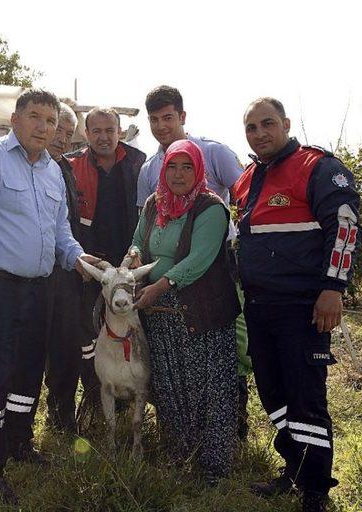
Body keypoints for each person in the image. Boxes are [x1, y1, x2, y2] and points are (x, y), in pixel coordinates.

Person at [0, 89, 95, 504]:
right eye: (34, 117)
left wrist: (79, 260)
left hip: (41, 288)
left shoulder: (52, 171)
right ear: (14, 118)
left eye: (50, 121)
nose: (43, 127)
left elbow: (61, 233)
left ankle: (18, 443)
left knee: (29, 372)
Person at [235, 97, 361, 512]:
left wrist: (333, 289)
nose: (260, 134)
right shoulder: (247, 177)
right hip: (259, 306)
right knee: (274, 394)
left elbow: (344, 229)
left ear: (286, 123)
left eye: (267, 124)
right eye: (251, 128)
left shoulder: (319, 167)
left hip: (304, 306)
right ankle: (294, 468)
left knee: (307, 397)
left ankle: (316, 490)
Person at [138, 85, 251, 439]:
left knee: (227, 360)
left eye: (168, 117)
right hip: (163, 304)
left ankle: (232, 431)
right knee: (171, 374)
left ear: (182, 116)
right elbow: (143, 236)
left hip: (211, 283)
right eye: (154, 120)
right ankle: (180, 442)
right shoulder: (149, 176)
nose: (161, 126)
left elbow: (247, 198)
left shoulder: (214, 154)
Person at [131, 139, 241, 485]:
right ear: (163, 170)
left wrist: (158, 287)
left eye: (187, 167)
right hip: (160, 317)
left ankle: (213, 467)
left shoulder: (211, 208)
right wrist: (132, 259)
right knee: (169, 387)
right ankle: (180, 456)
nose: (179, 175)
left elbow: (199, 260)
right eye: (172, 167)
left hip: (199, 314)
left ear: (199, 170)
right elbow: (137, 240)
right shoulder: (154, 204)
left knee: (209, 389)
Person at [66, 107, 146, 414]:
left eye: (109, 130)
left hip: (130, 266)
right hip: (90, 267)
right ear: (86, 135)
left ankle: (130, 399)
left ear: (120, 132)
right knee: (88, 330)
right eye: (96, 131)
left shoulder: (139, 163)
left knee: (131, 330)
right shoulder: (72, 165)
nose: (103, 137)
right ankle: (95, 395)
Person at [42, 102, 84, 431]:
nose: (63, 139)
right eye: (59, 130)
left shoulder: (64, 168)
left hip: (66, 270)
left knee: (67, 345)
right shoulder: (20, 164)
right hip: (36, 273)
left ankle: (61, 413)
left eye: (69, 135)